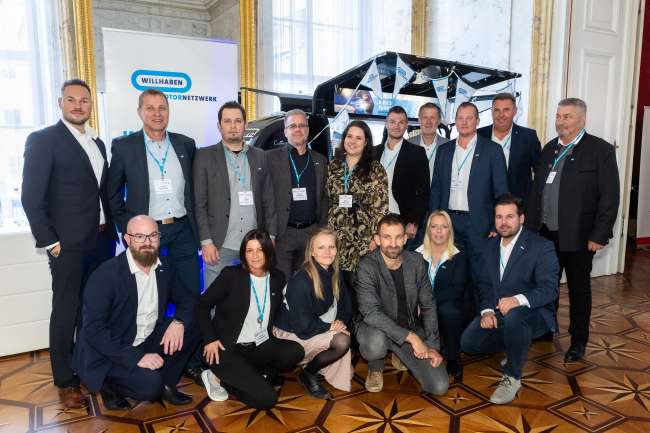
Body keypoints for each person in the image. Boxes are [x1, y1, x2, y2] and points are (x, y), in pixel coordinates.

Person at [21, 79, 117, 408]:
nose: (78, 105)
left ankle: (87, 368)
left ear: (91, 105)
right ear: (60, 103)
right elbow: (31, 197)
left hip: (102, 240)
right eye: (71, 99)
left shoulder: (97, 143)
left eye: (84, 100)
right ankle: (65, 380)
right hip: (68, 245)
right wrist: (50, 241)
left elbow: (100, 191)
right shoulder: (43, 140)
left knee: (93, 310)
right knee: (66, 310)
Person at [526, 98, 620, 362]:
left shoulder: (600, 150)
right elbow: (536, 192)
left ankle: (578, 341)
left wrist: (599, 234)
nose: (561, 121)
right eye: (558, 116)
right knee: (546, 285)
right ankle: (545, 328)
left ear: (582, 119)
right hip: (545, 234)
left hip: (579, 236)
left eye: (567, 116)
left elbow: (610, 197)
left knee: (579, 290)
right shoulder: (549, 149)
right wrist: (530, 229)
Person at [73, 215, 201, 409]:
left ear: (159, 237)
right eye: (140, 237)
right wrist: (137, 358)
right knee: (150, 387)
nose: (147, 243)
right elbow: (94, 331)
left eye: (153, 236)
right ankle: (108, 385)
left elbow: (187, 300)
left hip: (144, 338)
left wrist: (178, 322)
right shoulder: (105, 275)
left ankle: (167, 384)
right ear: (127, 239)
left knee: (195, 321)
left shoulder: (165, 266)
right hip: (110, 351)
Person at [461, 194, 559, 404]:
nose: (503, 222)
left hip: (535, 313)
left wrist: (517, 300)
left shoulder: (541, 246)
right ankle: (516, 347)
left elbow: (550, 290)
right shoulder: (489, 246)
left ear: (521, 218)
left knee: (515, 317)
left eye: (509, 216)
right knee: (468, 343)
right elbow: (484, 284)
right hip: (499, 312)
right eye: (499, 217)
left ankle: (512, 376)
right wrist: (487, 311)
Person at [195, 229, 304, 409]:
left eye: (260, 250)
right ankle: (217, 376)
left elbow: (281, 311)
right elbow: (201, 305)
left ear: (268, 251)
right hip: (225, 349)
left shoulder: (277, 277)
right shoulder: (231, 275)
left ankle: (244, 374)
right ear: (243, 254)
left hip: (258, 345)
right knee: (267, 399)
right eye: (249, 250)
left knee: (295, 351)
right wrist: (210, 339)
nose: (254, 256)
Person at [107, 90, 199, 299]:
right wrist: (128, 227)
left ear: (168, 111)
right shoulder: (124, 147)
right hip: (146, 233)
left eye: (162, 108)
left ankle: (190, 321)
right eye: (150, 108)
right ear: (139, 112)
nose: (157, 114)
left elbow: (195, 188)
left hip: (183, 229)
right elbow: (112, 193)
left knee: (190, 290)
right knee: (149, 292)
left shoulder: (186, 144)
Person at [356, 214, 449, 396]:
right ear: (377, 239)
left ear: (405, 238)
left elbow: (428, 305)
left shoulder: (416, 262)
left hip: (408, 327)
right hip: (375, 329)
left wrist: (431, 346)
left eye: (398, 237)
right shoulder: (366, 266)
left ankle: (399, 354)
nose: (393, 243)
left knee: (439, 386)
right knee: (375, 343)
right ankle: (375, 367)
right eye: (387, 237)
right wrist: (412, 338)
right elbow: (371, 313)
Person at [193, 101, 277, 287]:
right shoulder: (204, 156)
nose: (233, 126)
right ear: (219, 125)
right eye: (227, 121)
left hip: (254, 243)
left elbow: (268, 200)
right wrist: (206, 241)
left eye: (238, 121)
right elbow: (199, 203)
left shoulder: (260, 156)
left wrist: (271, 236)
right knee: (215, 295)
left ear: (245, 125)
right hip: (219, 243)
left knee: (252, 292)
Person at [429, 102, 509, 291]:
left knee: (480, 275)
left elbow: (501, 191)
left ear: (477, 121)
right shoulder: (444, 150)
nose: (464, 122)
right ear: (455, 121)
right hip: (448, 222)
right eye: (460, 118)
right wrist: (433, 219)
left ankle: (482, 309)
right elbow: (436, 188)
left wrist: (497, 223)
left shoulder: (492, 150)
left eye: (469, 118)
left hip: (479, 224)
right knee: (451, 273)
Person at [274, 228, 353, 399]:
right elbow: (303, 325)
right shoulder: (301, 280)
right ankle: (308, 373)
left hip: (315, 325)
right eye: (321, 247)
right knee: (342, 341)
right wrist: (330, 327)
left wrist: (339, 322)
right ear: (311, 252)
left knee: (344, 345)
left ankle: (313, 366)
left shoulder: (335, 274)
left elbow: (346, 307)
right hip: (291, 332)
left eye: (331, 247)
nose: (327, 252)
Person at [327, 120, 388, 290]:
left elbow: (381, 207)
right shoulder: (334, 166)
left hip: (363, 240)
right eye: (349, 136)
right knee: (335, 289)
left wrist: (375, 237)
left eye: (358, 138)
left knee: (359, 289)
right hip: (336, 237)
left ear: (366, 142)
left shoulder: (376, 169)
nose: (352, 141)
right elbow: (327, 201)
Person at [268, 109, 328, 279]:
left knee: (308, 282)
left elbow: (324, 197)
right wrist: (270, 233)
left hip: (311, 233)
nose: (298, 129)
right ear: (285, 131)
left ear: (307, 130)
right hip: (283, 234)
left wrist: (322, 229)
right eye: (292, 126)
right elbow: (265, 198)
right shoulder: (270, 158)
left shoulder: (320, 160)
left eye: (302, 125)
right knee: (282, 282)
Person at [415, 210, 468, 381]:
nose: (439, 231)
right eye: (434, 226)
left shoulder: (459, 254)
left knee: (449, 311)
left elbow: (457, 289)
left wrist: (426, 304)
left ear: (450, 230)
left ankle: (453, 358)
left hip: (447, 304)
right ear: (428, 230)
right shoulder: (415, 253)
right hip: (419, 306)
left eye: (444, 227)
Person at [374, 106, 430, 248]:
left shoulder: (417, 153)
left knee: (398, 258)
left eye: (401, 122)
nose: (396, 126)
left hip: (402, 218)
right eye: (392, 122)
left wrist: (414, 221)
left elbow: (424, 192)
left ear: (406, 125)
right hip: (375, 217)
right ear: (386, 124)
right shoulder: (374, 152)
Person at [477, 92, 541, 207]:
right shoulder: (479, 135)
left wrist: (533, 203)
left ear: (515, 111)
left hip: (518, 207)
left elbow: (540, 173)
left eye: (506, 110)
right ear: (492, 112)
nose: (501, 115)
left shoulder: (528, 137)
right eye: (497, 110)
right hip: (483, 206)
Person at [410, 102, 450, 182]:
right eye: (425, 117)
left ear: (439, 121)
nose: (428, 122)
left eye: (432, 118)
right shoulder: (408, 145)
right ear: (419, 120)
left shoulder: (449, 146)